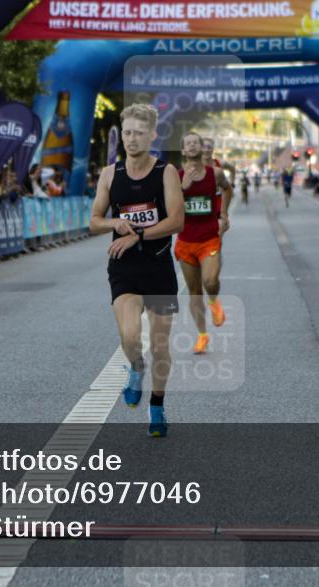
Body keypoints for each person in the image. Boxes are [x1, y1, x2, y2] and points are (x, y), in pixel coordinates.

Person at [90, 103, 183, 438]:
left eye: (139, 133)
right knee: (130, 336)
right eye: (127, 132)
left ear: (152, 134)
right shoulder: (109, 174)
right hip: (124, 268)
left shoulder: (165, 172)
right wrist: (116, 222)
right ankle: (135, 367)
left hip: (157, 267)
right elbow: (94, 221)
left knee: (160, 346)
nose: (131, 139)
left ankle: (157, 407)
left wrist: (138, 235)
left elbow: (176, 221)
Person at [175, 133, 230, 355]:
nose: (192, 145)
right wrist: (182, 188)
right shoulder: (176, 177)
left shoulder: (214, 173)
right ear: (183, 151)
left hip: (209, 238)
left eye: (195, 142)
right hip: (185, 241)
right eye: (187, 143)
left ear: (201, 148)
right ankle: (202, 335)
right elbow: (165, 205)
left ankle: (215, 301)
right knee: (194, 291)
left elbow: (227, 188)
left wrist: (223, 213)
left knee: (210, 281)